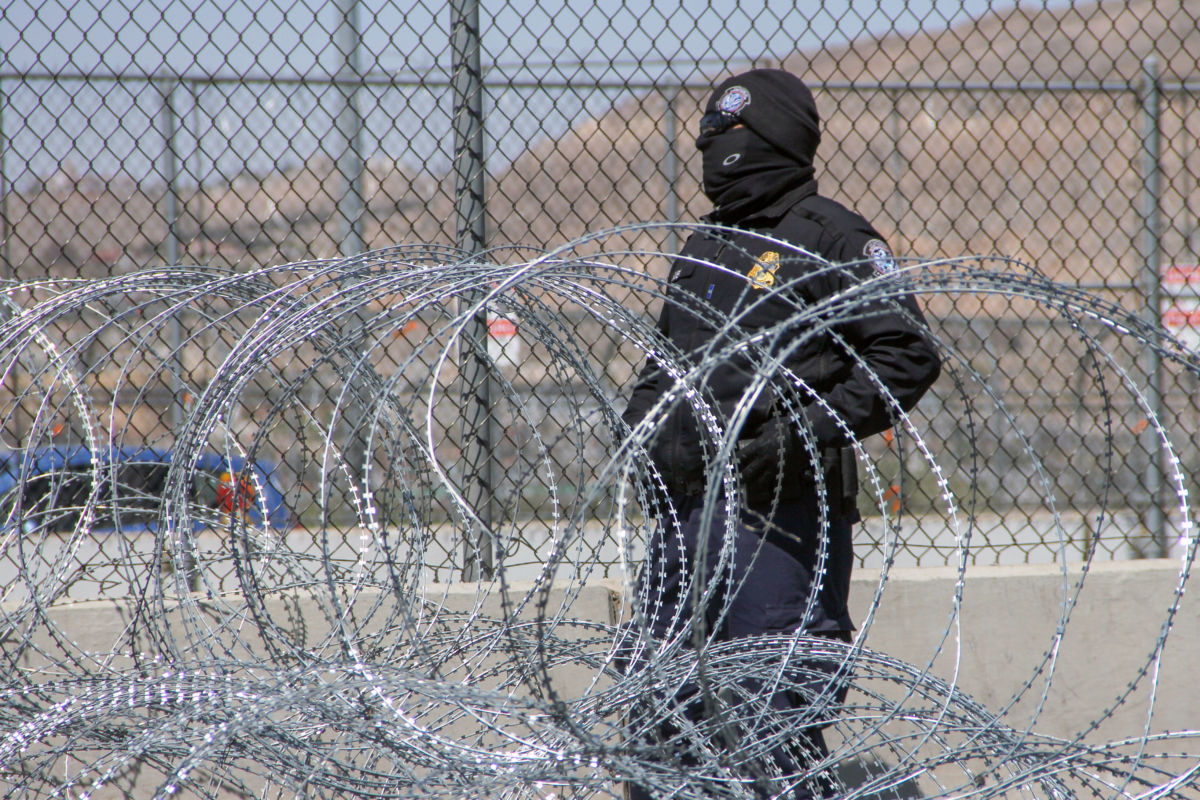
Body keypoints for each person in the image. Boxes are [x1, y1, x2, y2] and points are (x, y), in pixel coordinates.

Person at [621, 68, 941, 799]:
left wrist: (803, 429)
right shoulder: (706, 244)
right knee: (662, 715)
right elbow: (661, 363)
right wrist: (646, 430)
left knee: (770, 714)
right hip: (689, 514)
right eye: (711, 134)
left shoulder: (830, 236)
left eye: (737, 133)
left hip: (782, 516)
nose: (718, 149)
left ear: (779, 140)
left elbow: (906, 351)